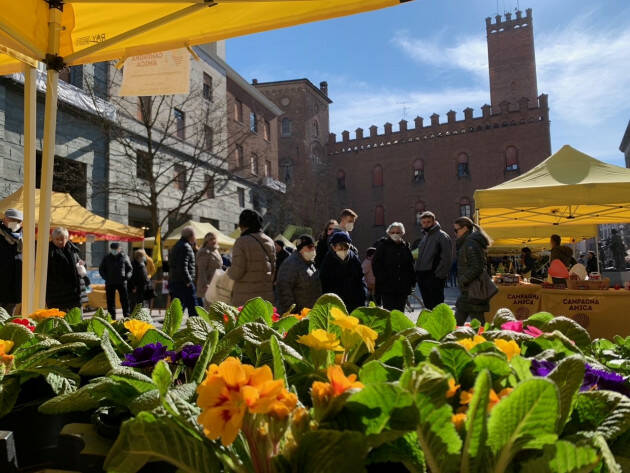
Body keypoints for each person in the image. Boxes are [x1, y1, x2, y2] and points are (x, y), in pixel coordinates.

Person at [228, 209, 276, 307]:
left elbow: (236, 273)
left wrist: (228, 271)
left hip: (245, 298)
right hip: (266, 296)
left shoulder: (241, 242)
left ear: (242, 224)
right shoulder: (270, 241)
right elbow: (273, 270)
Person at [453, 217, 493, 325]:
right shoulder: (469, 242)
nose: (455, 233)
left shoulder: (470, 243)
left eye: (456, 230)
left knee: (474, 320)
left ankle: (483, 340)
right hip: (470, 290)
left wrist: (463, 279)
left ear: (465, 228)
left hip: (472, 289)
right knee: (462, 320)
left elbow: (477, 266)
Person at [372, 222, 415, 312]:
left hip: (402, 288)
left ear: (402, 233)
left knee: (400, 313)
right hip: (387, 287)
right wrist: (382, 279)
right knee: (389, 312)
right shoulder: (383, 246)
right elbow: (376, 264)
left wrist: (412, 282)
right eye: (393, 232)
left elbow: (410, 266)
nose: (395, 234)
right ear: (388, 233)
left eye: (398, 232)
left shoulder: (405, 247)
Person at [320, 231, 366, 312]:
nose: (343, 251)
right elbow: (325, 283)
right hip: (336, 303)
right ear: (333, 247)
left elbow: (360, 278)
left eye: (346, 249)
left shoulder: (353, 258)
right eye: (340, 249)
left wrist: (363, 296)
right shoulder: (328, 261)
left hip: (354, 302)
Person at [414, 211, 452, 310]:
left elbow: (446, 258)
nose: (426, 224)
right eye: (424, 222)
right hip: (423, 276)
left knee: (436, 306)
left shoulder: (442, 236)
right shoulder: (425, 237)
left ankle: (440, 325)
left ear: (434, 222)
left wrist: (438, 275)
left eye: (428, 222)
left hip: (434, 276)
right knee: (428, 306)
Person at [276, 235, 322, 314]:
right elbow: (284, 290)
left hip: (308, 313)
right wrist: (293, 312)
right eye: (310, 247)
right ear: (301, 249)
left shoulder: (309, 263)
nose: (313, 250)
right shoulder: (291, 264)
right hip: (297, 315)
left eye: (314, 247)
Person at [46, 227, 82, 312]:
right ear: (52, 238)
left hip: (74, 293)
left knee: (75, 320)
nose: (60, 242)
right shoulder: (48, 251)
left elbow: (79, 261)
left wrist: (82, 265)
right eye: (57, 239)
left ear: (67, 238)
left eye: (63, 239)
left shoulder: (73, 249)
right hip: (56, 294)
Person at [168, 226, 197, 316]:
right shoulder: (185, 247)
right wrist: (188, 281)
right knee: (192, 306)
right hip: (184, 282)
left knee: (179, 307)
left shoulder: (177, 245)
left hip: (177, 281)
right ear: (191, 236)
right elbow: (182, 266)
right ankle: (195, 327)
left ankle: (172, 327)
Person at [99, 242, 132, 318]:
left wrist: (126, 277)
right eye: (113, 249)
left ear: (119, 249)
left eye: (116, 249)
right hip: (110, 283)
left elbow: (130, 269)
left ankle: (127, 317)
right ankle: (112, 318)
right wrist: (106, 278)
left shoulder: (125, 257)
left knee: (125, 301)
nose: (114, 251)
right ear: (111, 249)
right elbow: (101, 269)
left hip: (122, 282)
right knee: (110, 302)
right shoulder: (106, 257)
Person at [0, 209, 23, 315]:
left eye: (18, 221)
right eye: (12, 220)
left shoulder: (22, 239)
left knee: (9, 318)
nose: (16, 223)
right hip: (2, 285)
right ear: (4, 220)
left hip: (15, 287)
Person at [196, 232, 223, 306]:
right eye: (211, 239)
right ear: (206, 241)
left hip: (216, 283)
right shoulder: (204, 252)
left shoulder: (216, 251)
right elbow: (201, 271)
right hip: (208, 285)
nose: (213, 241)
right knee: (209, 309)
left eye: (214, 239)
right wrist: (205, 285)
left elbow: (218, 265)